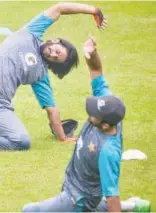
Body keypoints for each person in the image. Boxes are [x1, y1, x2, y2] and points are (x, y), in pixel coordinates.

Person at [0, 2, 108, 150]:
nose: (53, 54)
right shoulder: (30, 32)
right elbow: (59, 8)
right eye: (56, 50)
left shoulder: (40, 74)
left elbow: (51, 109)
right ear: (55, 41)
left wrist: (62, 137)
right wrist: (93, 10)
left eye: (56, 58)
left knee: (22, 141)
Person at [22, 37, 151, 212]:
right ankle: (133, 206)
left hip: (79, 198)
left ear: (105, 126)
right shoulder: (107, 104)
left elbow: (112, 195)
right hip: (73, 184)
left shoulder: (108, 151)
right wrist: (92, 54)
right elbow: (96, 69)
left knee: (30, 210)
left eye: (94, 114)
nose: (91, 112)